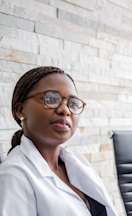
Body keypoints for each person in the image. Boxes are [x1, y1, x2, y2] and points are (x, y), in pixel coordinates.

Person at [0, 66, 117, 216]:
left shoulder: (76, 162)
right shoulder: (13, 176)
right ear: (20, 110)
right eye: (51, 99)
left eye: (73, 104)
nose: (65, 110)